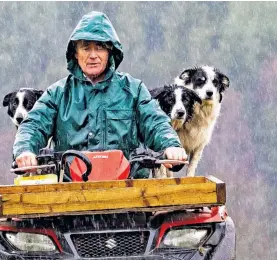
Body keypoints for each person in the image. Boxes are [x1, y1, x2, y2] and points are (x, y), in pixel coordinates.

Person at [13, 11, 187, 176]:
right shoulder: (57, 94)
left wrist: (171, 146)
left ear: (110, 51)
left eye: (100, 47)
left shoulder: (133, 90)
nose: (93, 55)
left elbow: (155, 122)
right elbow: (33, 125)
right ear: (75, 53)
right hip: (70, 194)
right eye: (86, 48)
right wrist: (25, 151)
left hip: (127, 193)